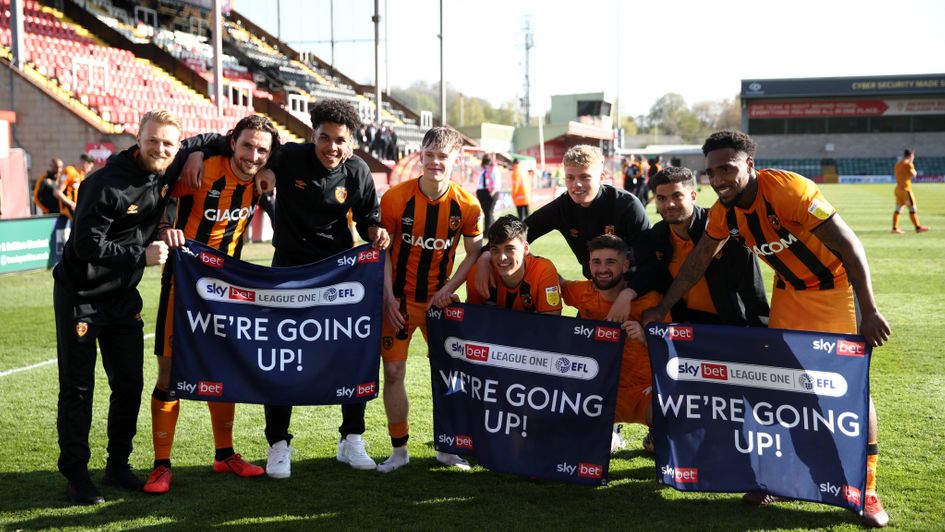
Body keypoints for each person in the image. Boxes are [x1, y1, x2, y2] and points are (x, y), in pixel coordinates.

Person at [640, 130, 891, 528]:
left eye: (728, 168)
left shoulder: (788, 191)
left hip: (835, 289)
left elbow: (850, 246)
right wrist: (663, 307)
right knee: (778, 385)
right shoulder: (725, 212)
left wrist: (871, 310)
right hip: (790, 293)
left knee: (848, 387)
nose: (719, 178)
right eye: (712, 172)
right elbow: (698, 262)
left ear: (749, 165)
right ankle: (776, 477)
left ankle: (866, 490)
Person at [182, 99, 390, 478]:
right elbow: (232, 140)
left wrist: (375, 231)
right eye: (324, 138)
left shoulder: (358, 171)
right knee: (280, 354)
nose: (332, 147)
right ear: (312, 135)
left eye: (340, 140)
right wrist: (196, 151)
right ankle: (278, 443)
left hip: (339, 278)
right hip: (288, 272)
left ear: (352, 142)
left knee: (351, 353)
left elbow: (366, 219)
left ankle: (352, 438)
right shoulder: (289, 157)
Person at [53, 110, 195, 505]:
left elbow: (210, 141)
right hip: (80, 295)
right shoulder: (102, 183)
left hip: (122, 298)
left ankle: (117, 465)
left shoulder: (171, 163)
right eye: (153, 140)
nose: (160, 148)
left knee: (129, 384)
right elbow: (86, 246)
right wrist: (142, 254)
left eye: (169, 143)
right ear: (138, 138)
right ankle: (77, 475)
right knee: (78, 388)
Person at [142, 115, 281, 494]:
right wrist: (162, 230)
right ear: (232, 141)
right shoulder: (204, 167)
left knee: (222, 370)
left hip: (228, 289)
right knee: (169, 372)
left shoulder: (263, 178)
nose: (253, 155)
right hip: (184, 284)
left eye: (262, 150)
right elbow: (161, 201)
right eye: (247, 145)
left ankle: (224, 454)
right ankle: (161, 465)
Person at [376, 126, 483, 473]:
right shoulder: (395, 198)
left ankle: (448, 448)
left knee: (450, 374)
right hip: (401, 302)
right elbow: (385, 253)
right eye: (430, 155)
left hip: (441, 305)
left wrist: (450, 287)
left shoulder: (467, 205)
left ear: (456, 159)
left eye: (443, 156)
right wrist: (388, 298)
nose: (436, 162)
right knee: (393, 372)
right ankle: (399, 450)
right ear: (420, 155)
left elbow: (474, 253)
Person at [475, 145, 650, 322]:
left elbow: (652, 262)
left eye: (584, 177)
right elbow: (517, 232)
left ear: (602, 177)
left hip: (634, 294)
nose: (576, 185)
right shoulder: (562, 207)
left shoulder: (627, 206)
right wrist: (485, 256)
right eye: (570, 177)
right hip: (594, 293)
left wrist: (627, 294)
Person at [559, 235, 665, 453]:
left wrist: (647, 339)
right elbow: (554, 280)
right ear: (588, 264)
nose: (602, 269)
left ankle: (655, 434)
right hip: (602, 392)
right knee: (593, 448)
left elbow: (674, 349)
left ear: (625, 265)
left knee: (670, 422)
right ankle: (611, 432)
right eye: (596, 262)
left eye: (610, 262)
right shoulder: (582, 292)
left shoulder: (651, 300)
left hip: (643, 392)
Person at [637, 166, 769, 327]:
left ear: (693, 196)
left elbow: (753, 290)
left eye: (676, 196)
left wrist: (762, 335)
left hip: (727, 325)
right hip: (681, 326)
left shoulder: (724, 228)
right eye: (661, 198)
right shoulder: (656, 236)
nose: (669, 204)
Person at [466, 215, 560, 315]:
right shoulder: (478, 273)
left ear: (526, 249)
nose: (502, 257)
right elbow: (473, 321)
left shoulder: (544, 271)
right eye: (495, 250)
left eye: (509, 249)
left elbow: (551, 326)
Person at [891, 149, 930, 234]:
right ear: (911, 155)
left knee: (898, 209)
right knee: (912, 208)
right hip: (906, 189)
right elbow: (914, 174)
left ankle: (894, 228)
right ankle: (918, 227)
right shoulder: (908, 164)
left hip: (898, 189)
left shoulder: (898, 164)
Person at [55, 154, 95, 222]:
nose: (90, 170)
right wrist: (72, 204)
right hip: (69, 211)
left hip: (77, 211)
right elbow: (57, 192)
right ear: (85, 163)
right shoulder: (69, 171)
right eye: (90, 167)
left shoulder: (81, 175)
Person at [476, 155, 502, 232]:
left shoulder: (494, 168)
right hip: (482, 191)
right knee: (487, 213)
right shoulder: (483, 169)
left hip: (490, 191)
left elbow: (497, 182)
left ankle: (489, 231)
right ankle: (490, 230)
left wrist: (492, 192)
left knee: (489, 213)